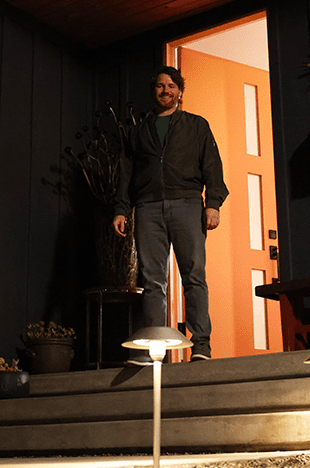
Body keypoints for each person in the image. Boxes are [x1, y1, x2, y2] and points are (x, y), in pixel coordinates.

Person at [113, 66, 228, 364]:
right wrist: (121, 209)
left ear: (180, 92)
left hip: (187, 205)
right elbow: (126, 172)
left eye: (171, 85)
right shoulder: (138, 132)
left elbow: (212, 167)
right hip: (148, 208)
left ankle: (200, 344)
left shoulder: (196, 126)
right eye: (160, 86)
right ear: (155, 92)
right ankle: (155, 350)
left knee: (193, 276)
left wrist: (212, 203)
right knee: (152, 281)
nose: (165, 90)